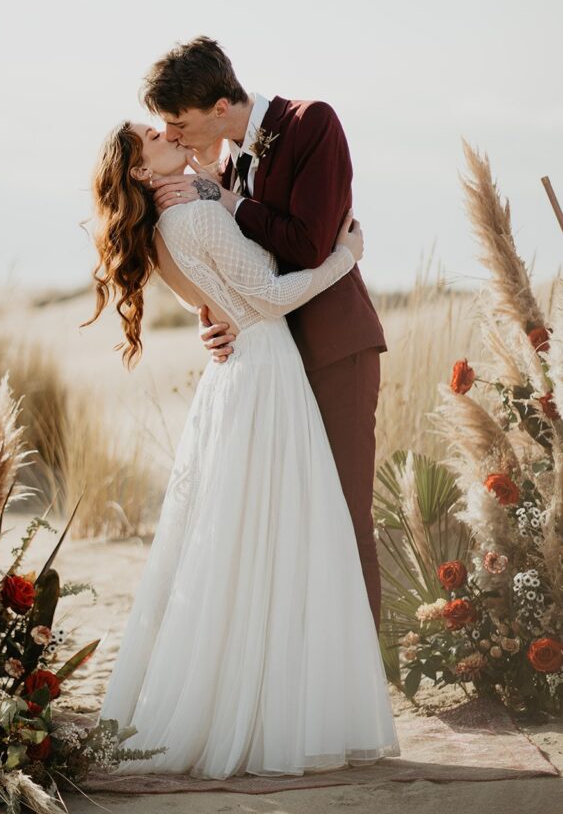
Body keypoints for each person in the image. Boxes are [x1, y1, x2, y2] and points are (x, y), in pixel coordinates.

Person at [82, 119, 400, 779]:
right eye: (150, 136)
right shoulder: (193, 222)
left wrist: (209, 196)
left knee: (243, 546)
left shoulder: (169, 226)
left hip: (239, 379)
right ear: (141, 172)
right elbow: (270, 297)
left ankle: (253, 704)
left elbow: (218, 301)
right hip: (266, 378)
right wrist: (346, 256)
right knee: (278, 541)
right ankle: (269, 715)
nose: (162, 129)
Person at [143, 37, 387, 632]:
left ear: (221, 107)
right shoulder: (226, 164)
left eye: (179, 123)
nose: (172, 136)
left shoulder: (312, 124)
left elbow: (307, 245)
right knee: (287, 524)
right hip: (271, 360)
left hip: (333, 349)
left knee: (343, 514)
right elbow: (238, 273)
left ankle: (363, 682)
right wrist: (213, 319)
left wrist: (223, 200)